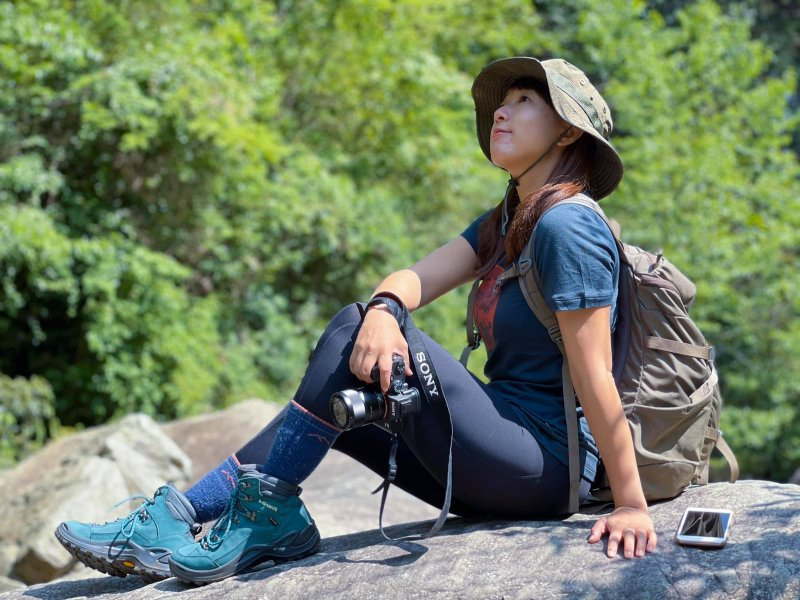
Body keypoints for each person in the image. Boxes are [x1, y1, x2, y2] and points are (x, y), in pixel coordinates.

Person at [55, 56, 658, 586]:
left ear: (568, 130)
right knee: (343, 379)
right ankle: (181, 518)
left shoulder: (567, 225)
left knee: (349, 330)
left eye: (526, 102)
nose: (502, 113)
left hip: (549, 467)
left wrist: (631, 505)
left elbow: (595, 375)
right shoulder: (511, 216)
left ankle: (265, 518)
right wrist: (385, 309)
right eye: (502, 102)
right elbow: (409, 280)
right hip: (504, 453)